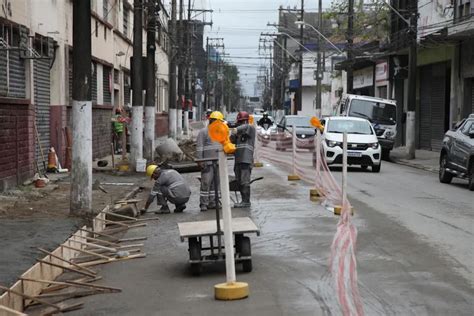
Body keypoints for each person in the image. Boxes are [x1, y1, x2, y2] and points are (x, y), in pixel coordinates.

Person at [196, 111, 223, 212]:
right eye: (218, 121)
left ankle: (213, 202)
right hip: (207, 162)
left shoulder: (221, 132)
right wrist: (200, 161)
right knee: (206, 183)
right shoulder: (203, 132)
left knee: (216, 184)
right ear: (212, 121)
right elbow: (199, 147)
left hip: (218, 162)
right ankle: (203, 203)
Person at [230, 111, 256, 208]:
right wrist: (234, 133)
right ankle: (243, 200)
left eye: (241, 122)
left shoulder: (250, 128)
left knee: (245, 181)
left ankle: (246, 201)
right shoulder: (238, 133)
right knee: (239, 181)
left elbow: (246, 127)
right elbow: (231, 139)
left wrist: (236, 128)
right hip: (238, 160)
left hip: (246, 160)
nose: (241, 124)